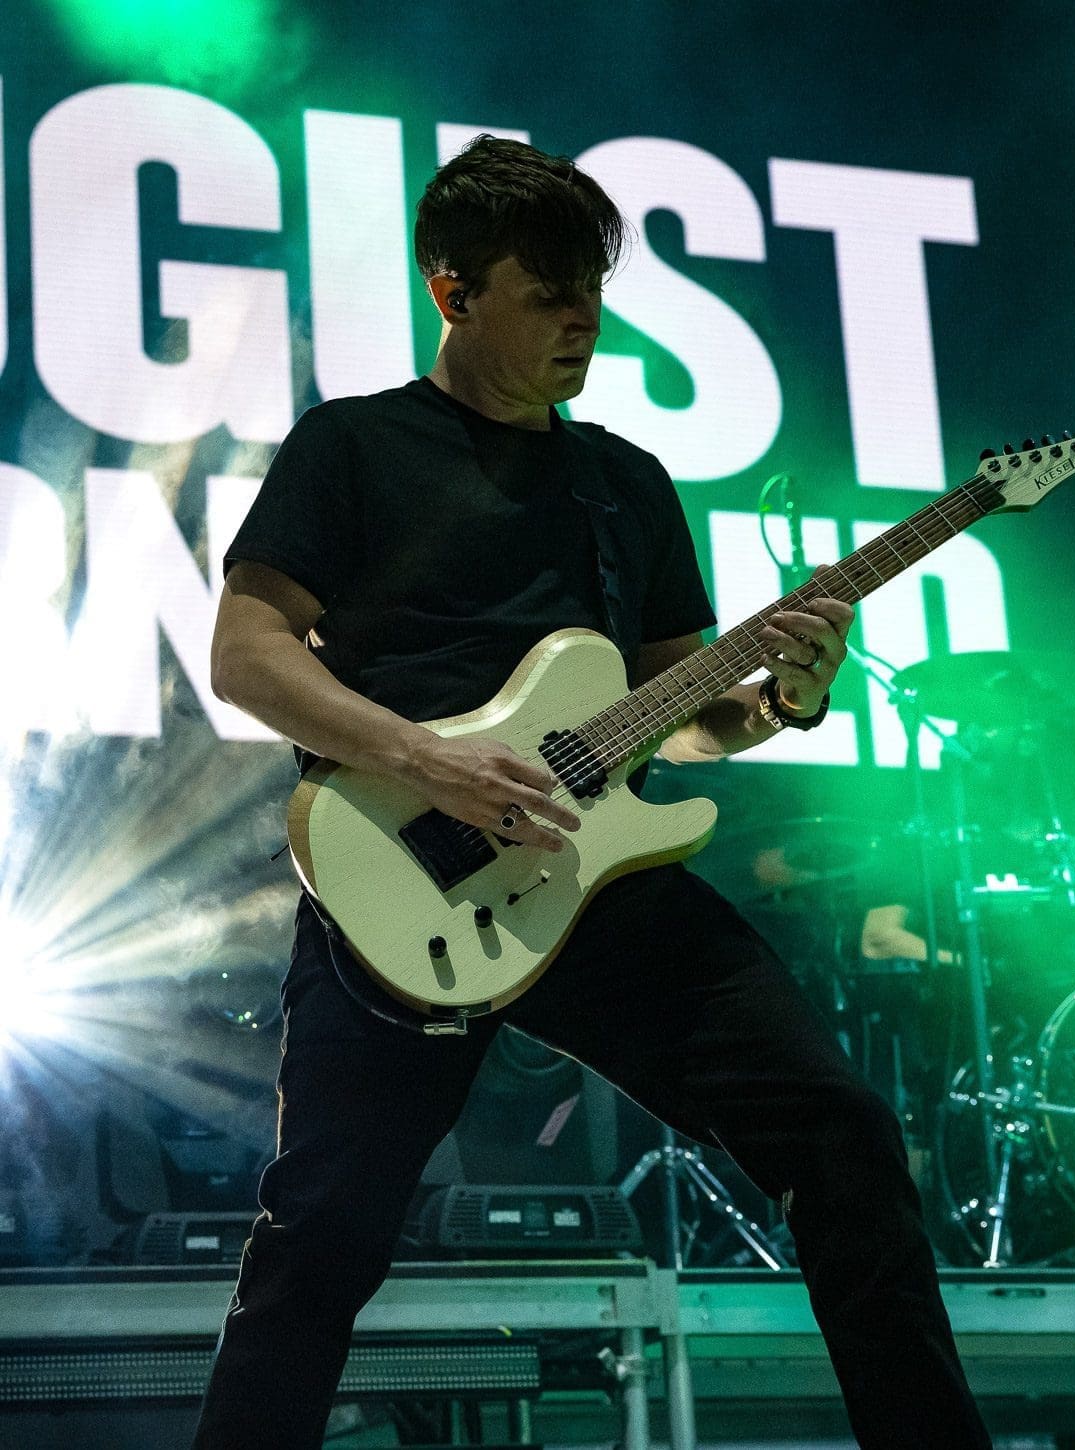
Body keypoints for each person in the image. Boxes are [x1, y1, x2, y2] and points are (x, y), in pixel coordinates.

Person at [193, 136, 992, 1450]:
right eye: (551, 294)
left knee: (840, 1134)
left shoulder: (623, 483)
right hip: (403, 869)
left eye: (595, 294)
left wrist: (785, 697)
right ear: (453, 292)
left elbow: (695, 710)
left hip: (596, 879)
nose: (586, 322)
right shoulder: (353, 446)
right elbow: (247, 654)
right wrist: (431, 759)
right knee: (318, 1243)